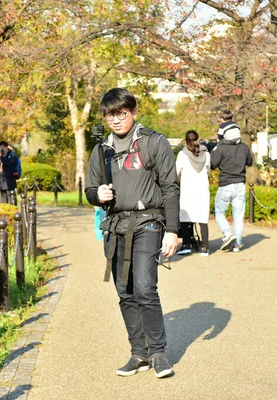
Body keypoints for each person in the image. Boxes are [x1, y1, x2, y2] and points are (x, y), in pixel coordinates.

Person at [85, 88, 179, 379]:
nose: (115, 120)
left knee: (144, 288)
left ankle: (159, 353)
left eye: (121, 113)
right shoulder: (102, 149)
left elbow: (170, 188)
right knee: (124, 292)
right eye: (110, 114)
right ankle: (139, 353)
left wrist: (173, 231)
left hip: (149, 222)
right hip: (116, 226)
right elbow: (90, 189)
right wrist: (96, 194)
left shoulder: (154, 142)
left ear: (134, 112)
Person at [210, 110, 253, 253]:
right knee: (238, 217)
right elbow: (250, 162)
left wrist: (216, 149)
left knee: (219, 212)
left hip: (226, 184)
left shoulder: (221, 147)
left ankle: (228, 234)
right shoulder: (244, 147)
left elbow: (212, 164)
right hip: (240, 184)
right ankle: (237, 245)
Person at [176, 130, 211, 256]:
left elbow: (176, 172)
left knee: (185, 218)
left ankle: (186, 245)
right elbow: (208, 171)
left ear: (186, 140)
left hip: (187, 189)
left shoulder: (182, 154)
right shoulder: (206, 154)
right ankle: (204, 247)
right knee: (202, 218)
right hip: (202, 189)